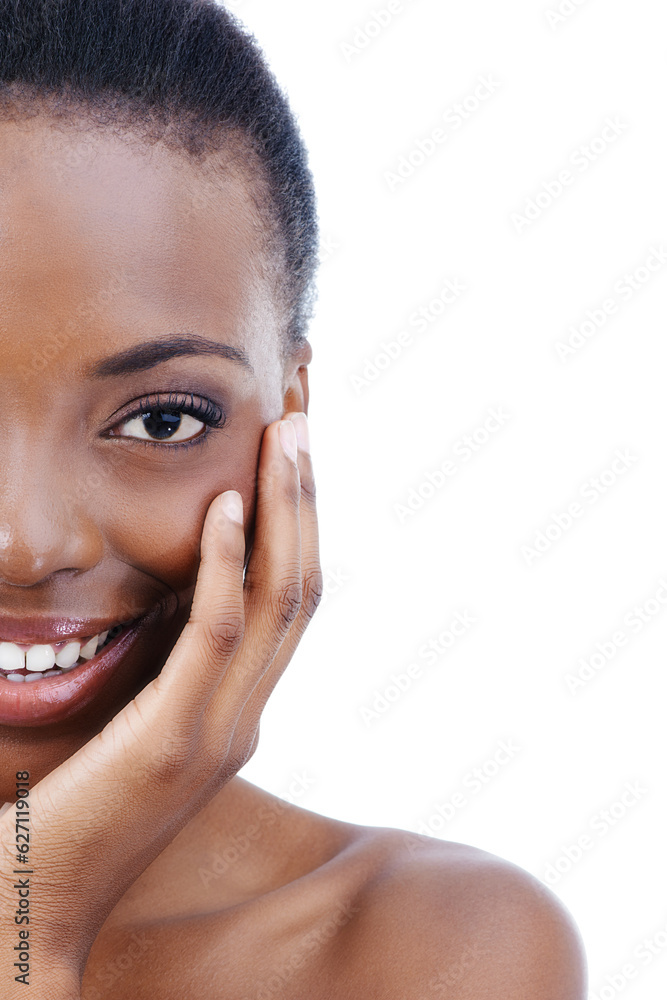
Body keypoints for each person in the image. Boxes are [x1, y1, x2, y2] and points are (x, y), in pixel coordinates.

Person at [0, 1, 587, 996]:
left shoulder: (428, 947)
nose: (27, 540)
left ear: (290, 415)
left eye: (161, 420)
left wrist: (25, 912)